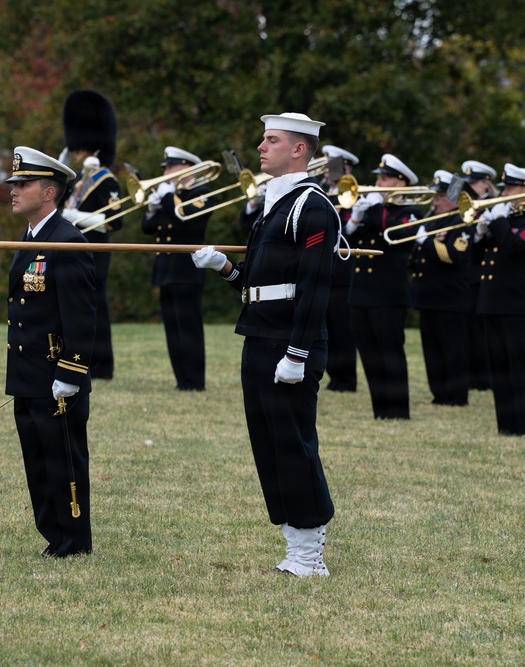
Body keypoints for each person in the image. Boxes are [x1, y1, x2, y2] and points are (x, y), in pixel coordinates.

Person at [191, 112, 336, 578]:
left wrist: (297, 354)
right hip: (258, 336)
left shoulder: (311, 207)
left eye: (271, 140)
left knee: (293, 443)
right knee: (268, 445)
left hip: (291, 344)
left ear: (299, 149)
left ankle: (311, 552)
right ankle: (293, 542)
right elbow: (260, 286)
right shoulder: (273, 204)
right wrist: (225, 269)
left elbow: (313, 288)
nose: (260, 146)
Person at [5, 146, 97, 558]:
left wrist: (71, 373)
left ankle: (73, 540)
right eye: (14, 183)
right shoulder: (30, 239)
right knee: (37, 463)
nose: (14, 190)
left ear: (48, 192)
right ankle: (53, 535)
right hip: (27, 374)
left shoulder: (66, 241)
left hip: (55, 375)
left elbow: (82, 316)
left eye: (22, 184)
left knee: (62, 461)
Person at [472, 164, 525, 436]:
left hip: (516, 305)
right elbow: (474, 257)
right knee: (500, 369)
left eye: (509, 188)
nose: (503, 193)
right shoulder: (503, 221)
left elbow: (515, 247)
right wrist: (480, 233)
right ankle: (507, 427)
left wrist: (498, 222)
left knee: (520, 368)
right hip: (493, 303)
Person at [344, 153, 422, 419]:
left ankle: (398, 412)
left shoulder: (410, 212)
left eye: (384, 178)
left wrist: (376, 208)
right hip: (361, 293)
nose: (378, 182)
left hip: (388, 295)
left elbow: (398, 236)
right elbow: (343, 244)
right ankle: (381, 410)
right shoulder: (370, 210)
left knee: (390, 354)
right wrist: (354, 219)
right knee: (370, 355)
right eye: (378, 177)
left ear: (400, 184)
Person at [59, 90, 121, 380]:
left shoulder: (107, 180)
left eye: (79, 147)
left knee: (97, 308)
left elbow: (114, 222)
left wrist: (77, 217)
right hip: (75, 248)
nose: (75, 151)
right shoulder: (79, 180)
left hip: (96, 249)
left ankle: (102, 366)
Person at [141, 146, 213, 391]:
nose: (167, 172)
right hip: (165, 269)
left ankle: (194, 381)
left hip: (186, 270)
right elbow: (148, 228)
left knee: (188, 328)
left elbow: (186, 217)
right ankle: (181, 380)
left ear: (186, 168)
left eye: (171, 167)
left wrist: (167, 196)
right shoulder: (169, 195)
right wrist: (151, 208)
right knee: (173, 328)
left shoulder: (201, 192)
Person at [409, 170, 472, 406]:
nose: (434, 200)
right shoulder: (433, 220)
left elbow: (453, 255)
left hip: (450, 297)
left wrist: (424, 241)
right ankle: (439, 392)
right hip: (428, 295)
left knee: (453, 349)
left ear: (453, 197)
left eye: (440, 196)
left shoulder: (462, 221)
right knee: (433, 350)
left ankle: (456, 396)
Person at [321, 145, 360, 392]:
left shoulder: (354, 194)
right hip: (324, 269)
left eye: (331, 165)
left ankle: (347, 379)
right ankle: (334, 376)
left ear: (345, 167)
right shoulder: (322, 192)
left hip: (344, 272)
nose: (326, 171)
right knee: (328, 329)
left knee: (343, 330)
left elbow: (348, 233)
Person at [460, 160, 499, 391]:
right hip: (465, 272)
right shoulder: (465, 204)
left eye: (475, 182)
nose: (470, 186)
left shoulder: (492, 206)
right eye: (468, 183)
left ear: (486, 183)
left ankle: (484, 377)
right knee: (468, 328)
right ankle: (473, 375)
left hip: (482, 272)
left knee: (481, 328)